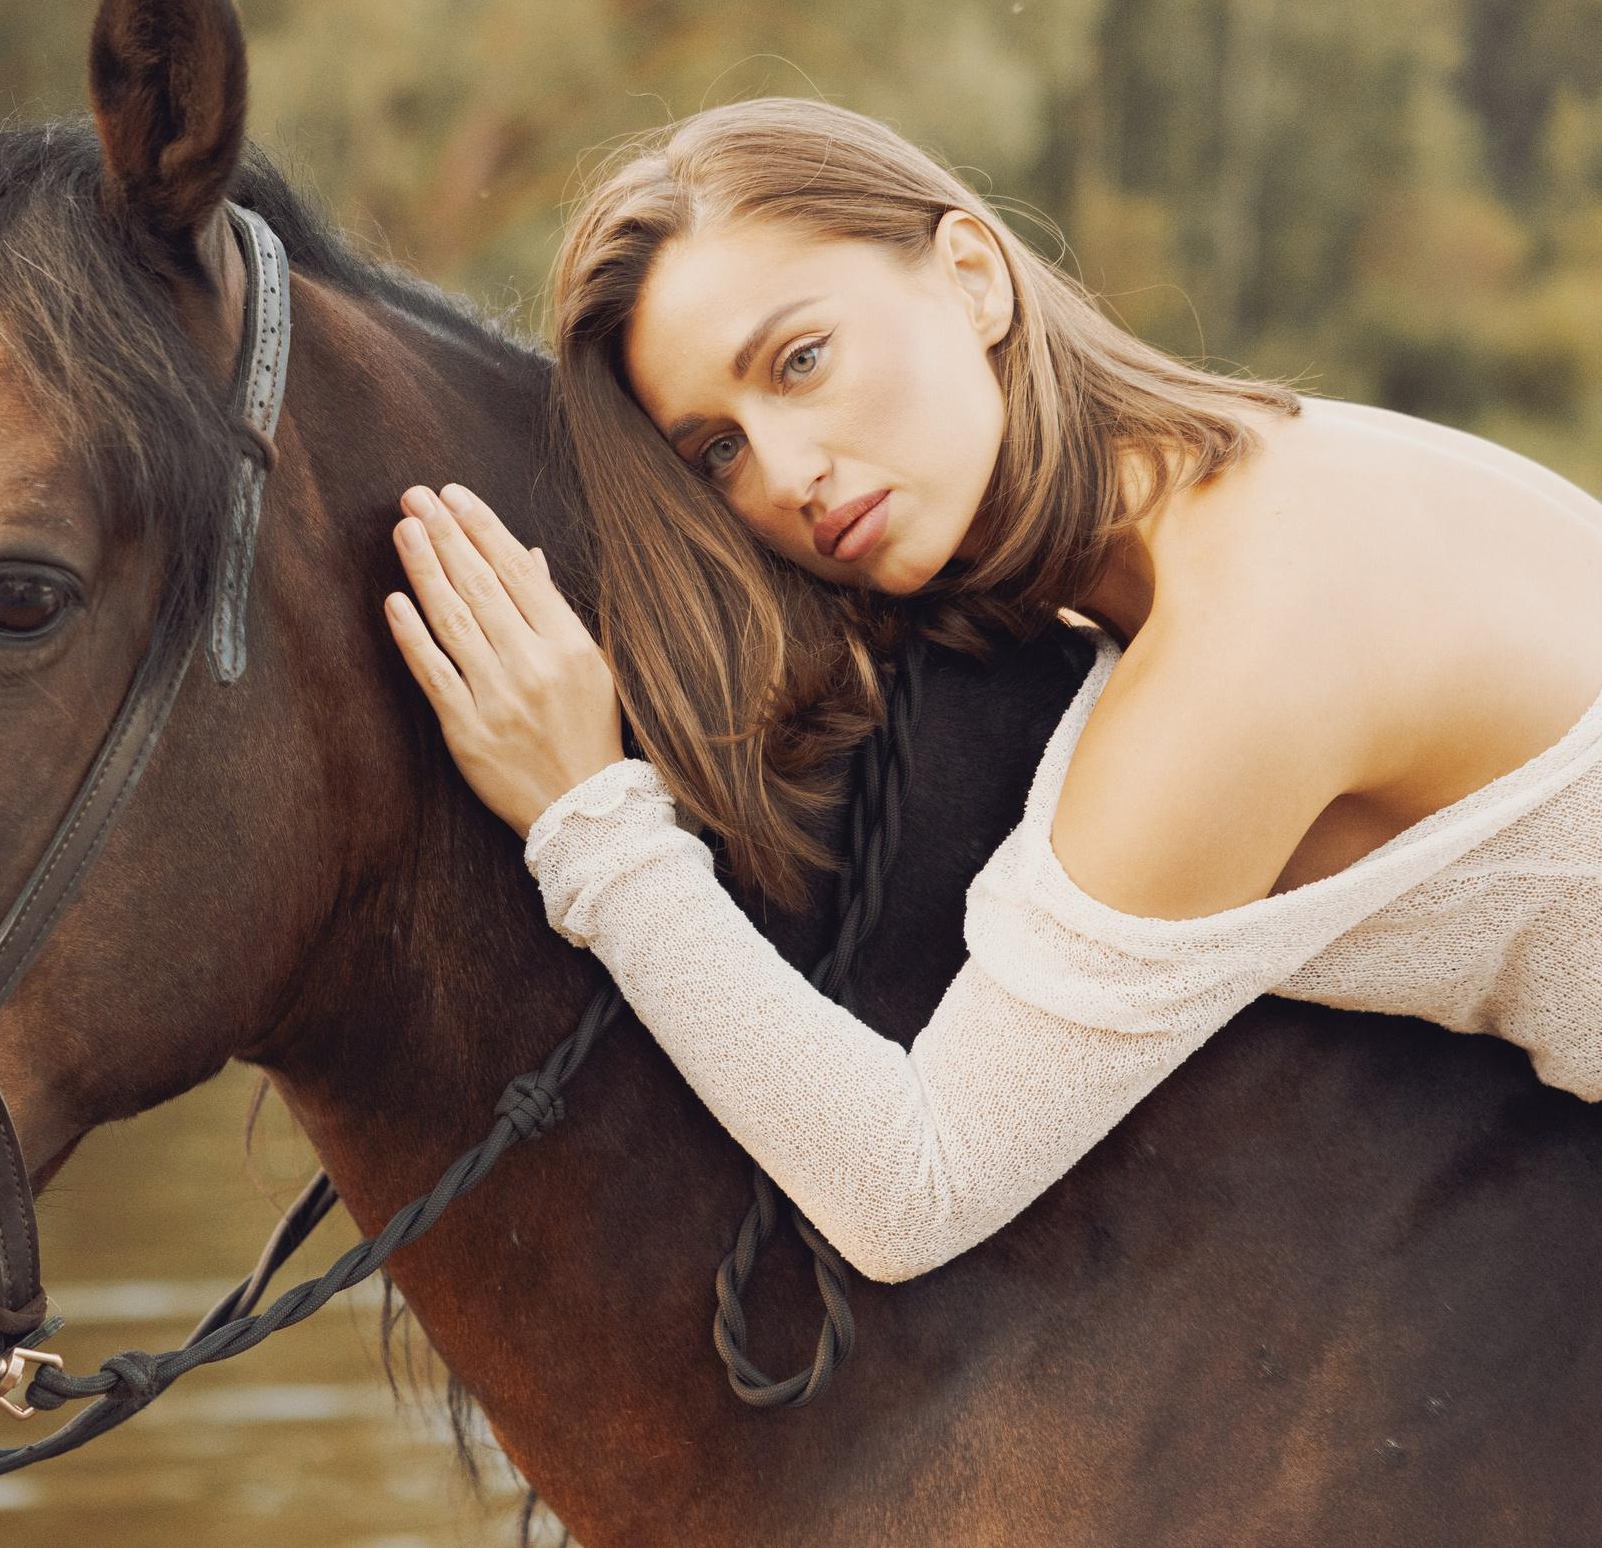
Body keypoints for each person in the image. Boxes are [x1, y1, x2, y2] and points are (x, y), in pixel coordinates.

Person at [382, 97, 1602, 1285]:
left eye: (801, 361)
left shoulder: (1258, 631)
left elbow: (913, 1191)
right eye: (719, 449)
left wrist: (589, 821)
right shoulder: (1244, 477)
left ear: (971, 273)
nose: (789, 472)